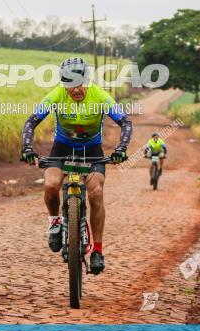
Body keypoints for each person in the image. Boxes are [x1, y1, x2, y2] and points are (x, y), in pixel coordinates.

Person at [21, 57, 132, 275]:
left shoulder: (99, 95)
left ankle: (97, 251)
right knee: (51, 186)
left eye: (79, 84)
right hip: (62, 149)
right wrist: (26, 147)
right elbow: (31, 121)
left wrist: (121, 149)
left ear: (87, 81)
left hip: (92, 151)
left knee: (96, 193)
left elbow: (125, 122)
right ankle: (55, 224)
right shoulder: (57, 95)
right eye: (70, 85)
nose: (75, 89)